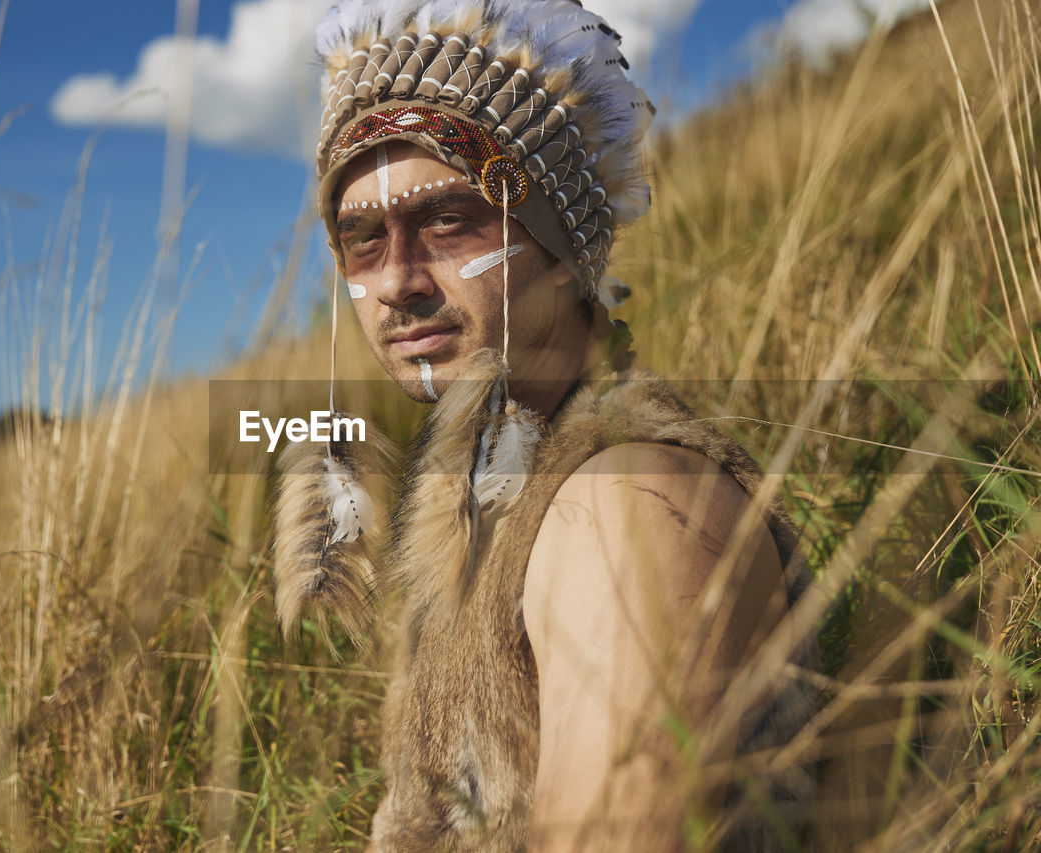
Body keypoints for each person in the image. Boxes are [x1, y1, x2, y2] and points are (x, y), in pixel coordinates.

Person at [272, 1, 818, 849]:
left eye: (447, 219)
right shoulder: (487, 504)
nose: (397, 282)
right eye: (363, 241)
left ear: (564, 251)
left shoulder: (628, 509)